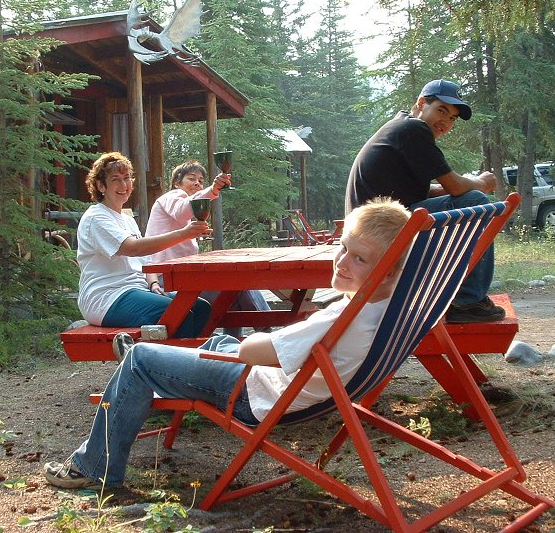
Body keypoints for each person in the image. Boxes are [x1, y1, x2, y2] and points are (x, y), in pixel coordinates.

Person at [43, 197, 411, 490]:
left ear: (389, 271)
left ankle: (95, 464)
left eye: (360, 258)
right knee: (219, 339)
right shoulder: (386, 308)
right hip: (273, 382)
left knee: (142, 356)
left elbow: (255, 352)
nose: (342, 262)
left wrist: (262, 340)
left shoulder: (337, 321)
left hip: (255, 391)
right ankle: (157, 364)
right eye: (343, 248)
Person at [345, 79, 503, 323]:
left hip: (372, 223)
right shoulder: (414, 129)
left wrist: (450, 191)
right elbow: (455, 186)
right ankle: (467, 301)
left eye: (452, 118)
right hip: (378, 227)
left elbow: (418, 193)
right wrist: (481, 182)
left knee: (465, 203)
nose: (446, 122)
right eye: (441, 110)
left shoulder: (401, 128)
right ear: (421, 103)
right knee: (477, 203)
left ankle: (453, 293)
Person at [76, 152, 212, 339]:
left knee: (201, 308)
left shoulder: (127, 219)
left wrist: (154, 283)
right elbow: (134, 248)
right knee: (179, 315)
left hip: (138, 290)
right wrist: (184, 233)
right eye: (116, 179)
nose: (124, 185)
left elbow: (145, 260)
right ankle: (169, 364)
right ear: (101, 186)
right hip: (107, 298)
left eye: (127, 178)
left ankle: (193, 360)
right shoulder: (96, 217)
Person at [145, 159, 271, 335]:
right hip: (167, 282)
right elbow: (182, 209)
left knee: (232, 294)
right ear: (176, 183)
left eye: (201, 180)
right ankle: (267, 332)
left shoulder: (185, 214)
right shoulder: (172, 197)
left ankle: (234, 347)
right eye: (191, 178)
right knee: (238, 282)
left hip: (182, 278)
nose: (197, 183)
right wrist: (212, 190)